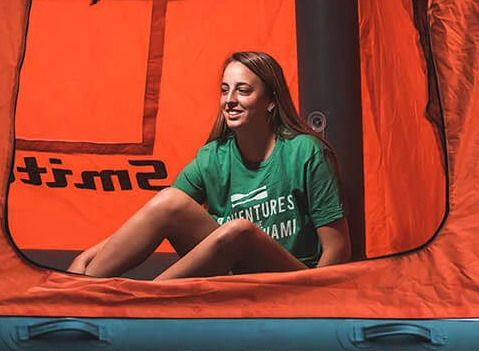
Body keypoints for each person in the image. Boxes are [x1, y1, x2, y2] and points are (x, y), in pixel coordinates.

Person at [66, 51, 352, 278]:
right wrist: (86, 258)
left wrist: (315, 305)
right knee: (170, 201)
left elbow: (337, 249)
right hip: (232, 277)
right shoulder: (213, 157)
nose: (229, 100)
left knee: (240, 230)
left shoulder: (305, 152)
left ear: (270, 102)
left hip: (291, 283)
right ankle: (84, 291)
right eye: (225, 90)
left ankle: (149, 299)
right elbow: (158, 214)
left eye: (243, 91)